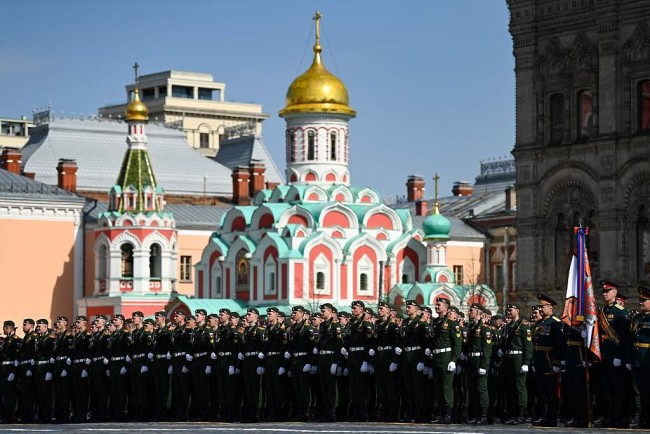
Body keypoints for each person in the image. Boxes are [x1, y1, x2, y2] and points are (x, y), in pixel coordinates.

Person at [594, 280, 631, 428]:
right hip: (604, 354)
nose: (605, 294)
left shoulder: (621, 312)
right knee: (606, 389)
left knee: (617, 389)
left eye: (607, 291)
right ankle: (607, 416)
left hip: (616, 355)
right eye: (603, 292)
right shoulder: (602, 311)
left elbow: (624, 338)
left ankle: (618, 418)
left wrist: (620, 356)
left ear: (615, 293)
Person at [531, 293, 564, 427]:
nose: (540, 309)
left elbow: (559, 345)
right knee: (542, 392)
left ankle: (552, 418)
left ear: (550, 308)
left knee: (552, 393)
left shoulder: (556, 323)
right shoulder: (540, 323)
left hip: (549, 361)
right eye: (539, 306)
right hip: (540, 361)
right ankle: (544, 416)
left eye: (542, 307)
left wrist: (556, 363)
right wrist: (534, 361)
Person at [430, 296, 462, 424]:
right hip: (436, 356)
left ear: (446, 307)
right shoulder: (435, 321)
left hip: (446, 356)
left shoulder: (452, 322)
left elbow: (457, 343)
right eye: (436, 305)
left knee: (446, 387)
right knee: (437, 387)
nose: (437, 307)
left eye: (439, 305)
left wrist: (454, 359)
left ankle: (448, 414)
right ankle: (440, 413)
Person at [502, 303, 532, 425]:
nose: (508, 312)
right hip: (509, 358)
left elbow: (528, 346)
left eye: (511, 310)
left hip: (519, 358)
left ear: (517, 311)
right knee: (511, 388)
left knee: (520, 387)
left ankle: (521, 414)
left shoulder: (523, 326)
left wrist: (526, 362)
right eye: (507, 310)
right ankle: (513, 413)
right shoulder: (508, 326)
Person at [464, 303, 493, 425]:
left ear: (478, 313)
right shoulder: (471, 327)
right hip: (471, 360)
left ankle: (484, 415)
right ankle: (475, 414)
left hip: (480, 360)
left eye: (471, 310)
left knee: (481, 389)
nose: (469, 312)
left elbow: (487, 349)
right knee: (472, 389)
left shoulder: (485, 328)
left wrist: (484, 365)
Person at [315, 303, 343, 422]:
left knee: (331, 387)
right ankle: (326, 412)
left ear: (330, 311)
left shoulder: (335, 326)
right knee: (323, 387)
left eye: (324, 311)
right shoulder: (322, 325)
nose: (322, 313)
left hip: (331, 357)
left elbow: (339, 345)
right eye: (321, 311)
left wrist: (336, 362)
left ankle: (331, 413)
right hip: (322, 358)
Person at [287, 305, 315, 422]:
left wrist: (309, 362)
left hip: (303, 359)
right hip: (295, 360)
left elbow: (311, 347)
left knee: (304, 388)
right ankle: (300, 411)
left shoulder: (308, 328)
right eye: (293, 313)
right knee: (296, 388)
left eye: (296, 313)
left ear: (302, 314)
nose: (293, 315)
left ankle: (306, 412)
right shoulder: (293, 327)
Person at [374, 301, 400, 422]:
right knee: (381, 386)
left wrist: (394, 361)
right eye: (379, 309)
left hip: (388, 357)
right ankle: (384, 411)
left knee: (389, 387)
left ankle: (391, 412)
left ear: (388, 311)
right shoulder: (378, 324)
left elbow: (396, 344)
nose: (379, 311)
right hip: (380, 357)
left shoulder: (392, 325)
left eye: (382, 309)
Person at [630, 286, 650, 429]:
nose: (641, 303)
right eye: (640, 300)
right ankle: (642, 418)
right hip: (637, 360)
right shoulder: (637, 318)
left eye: (644, 300)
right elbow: (631, 340)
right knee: (640, 392)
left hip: (648, 360)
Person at [0, 320, 21, 424]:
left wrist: (13, 372)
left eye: (4, 327)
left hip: (10, 369)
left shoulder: (15, 340)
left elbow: (17, 357)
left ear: (9, 328)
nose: (3, 329)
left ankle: (10, 416)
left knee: (10, 395)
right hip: (4, 369)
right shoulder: (6, 340)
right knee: (4, 394)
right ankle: (5, 416)